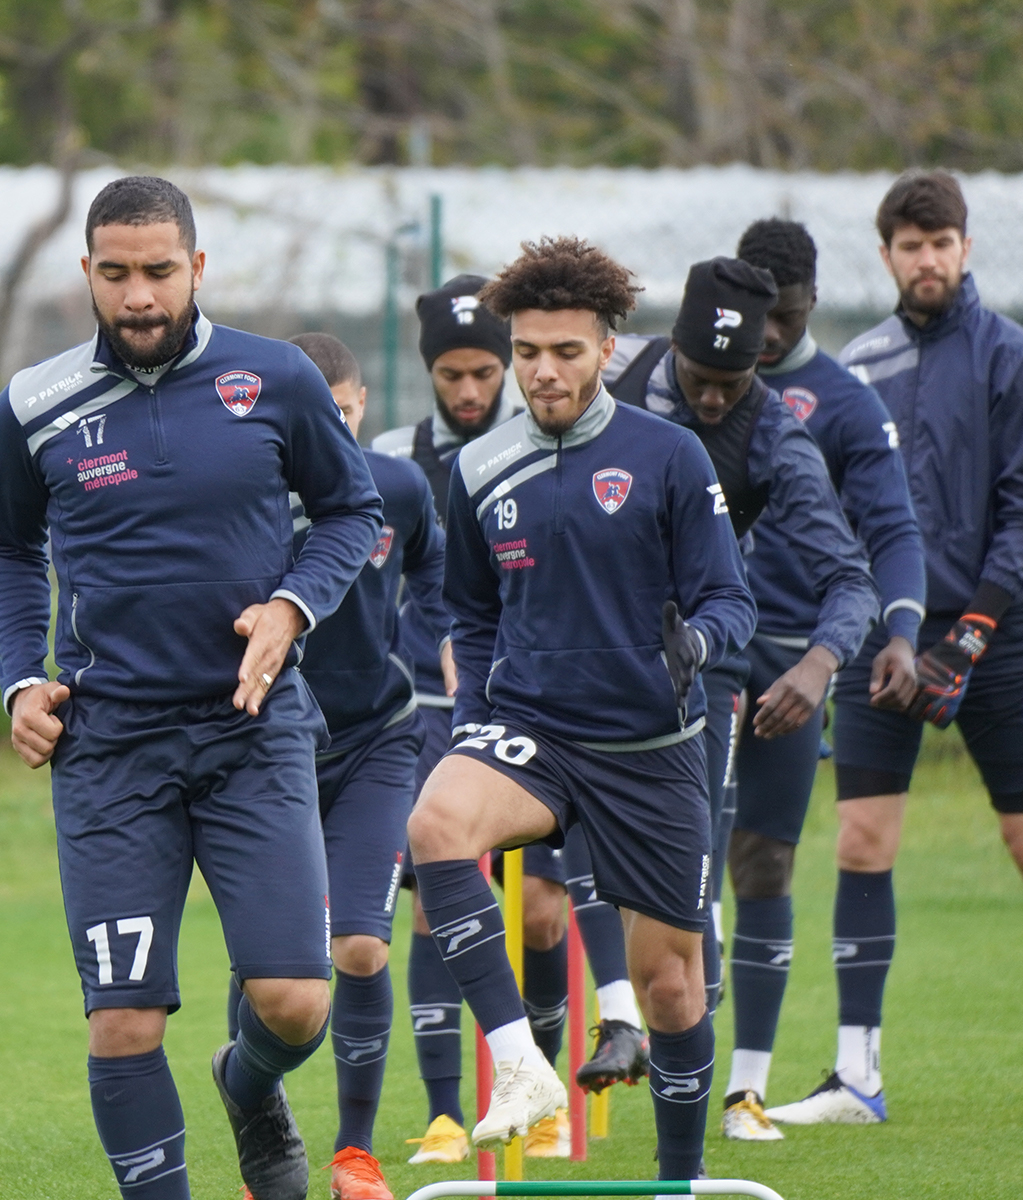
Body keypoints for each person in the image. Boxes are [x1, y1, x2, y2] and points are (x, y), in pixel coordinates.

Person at [0, 176, 382, 1200]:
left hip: (252, 730)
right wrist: (21, 678)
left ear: (197, 267)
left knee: (294, 1002)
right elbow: (7, 544)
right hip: (109, 747)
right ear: (87, 274)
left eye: (159, 271)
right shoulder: (33, 404)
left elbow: (351, 511)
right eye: (115, 274)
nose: (139, 296)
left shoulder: (277, 377)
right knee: (123, 1019)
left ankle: (248, 1084)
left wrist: (291, 607)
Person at [405, 236, 758, 1186]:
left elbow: (731, 601)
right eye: (527, 353)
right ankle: (521, 1065)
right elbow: (473, 615)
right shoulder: (480, 468)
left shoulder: (669, 454)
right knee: (436, 823)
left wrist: (697, 646)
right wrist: (473, 717)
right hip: (535, 734)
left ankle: (679, 1178)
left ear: (606, 348)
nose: (544, 372)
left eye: (566, 351)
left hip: (652, 748)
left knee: (669, 988)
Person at [766, 170, 1023, 1128]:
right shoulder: (860, 367)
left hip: (994, 634)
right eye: (910, 245)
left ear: (965, 248)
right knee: (862, 839)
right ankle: (858, 1079)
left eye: (942, 243)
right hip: (881, 639)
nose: (927, 259)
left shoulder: (1015, 358)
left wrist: (971, 634)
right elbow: (833, 517)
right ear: (886, 254)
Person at [577, 258, 879, 1110]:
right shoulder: (611, 373)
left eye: (733, 383)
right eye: (700, 380)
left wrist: (819, 664)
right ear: (671, 344)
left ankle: (695, 1081)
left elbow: (848, 578)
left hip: (699, 668)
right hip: (582, 650)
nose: (714, 400)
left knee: (690, 900)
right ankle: (609, 1019)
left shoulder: (775, 435)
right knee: (571, 843)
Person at [222, 332, 447, 1200]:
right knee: (264, 965)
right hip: (265, 742)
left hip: (376, 742)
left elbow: (437, 572)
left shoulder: (397, 487)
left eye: (344, 414)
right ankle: (264, 1142)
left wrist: (430, 650)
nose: (332, 431)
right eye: (316, 417)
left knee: (358, 943)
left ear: (360, 407)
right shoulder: (246, 497)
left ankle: (356, 1154)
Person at [715, 218, 924, 1141]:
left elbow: (893, 529)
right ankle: (657, 1043)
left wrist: (901, 631)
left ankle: (744, 1093)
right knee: (684, 860)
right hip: (693, 649)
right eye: (755, 315)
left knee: (764, 859)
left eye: (787, 315)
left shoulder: (843, 402)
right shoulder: (695, 384)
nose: (766, 335)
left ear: (810, 303)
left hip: (794, 656)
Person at [368, 276, 535, 1166]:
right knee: (436, 904)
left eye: (483, 373)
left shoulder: (535, 444)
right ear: (427, 370)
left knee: (541, 911)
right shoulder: (393, 458)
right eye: (449, 375)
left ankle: (540, 1094)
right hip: (424, 719)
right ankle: (442, 1114)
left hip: (530, 709)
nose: (468, 391)